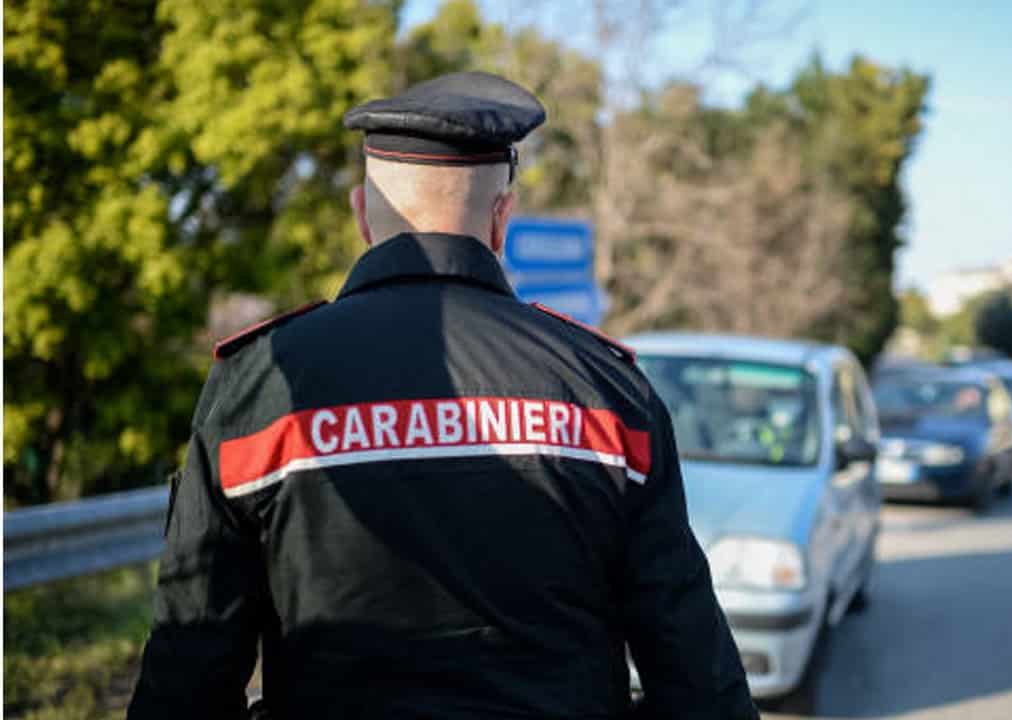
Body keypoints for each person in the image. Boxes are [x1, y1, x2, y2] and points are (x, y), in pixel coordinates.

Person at [127, 71, 757, 720]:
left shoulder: (258, 385)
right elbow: (701, 691)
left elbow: (185, 678)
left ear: (361, 216)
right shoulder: (607, 391)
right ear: (501, 218)